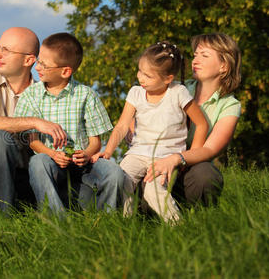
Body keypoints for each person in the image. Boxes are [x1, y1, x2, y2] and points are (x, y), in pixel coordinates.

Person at [91, 41, 208, 222]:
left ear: (168, 78)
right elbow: (122, 125)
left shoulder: (178, 92)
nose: (141, 78)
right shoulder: (136, 93)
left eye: (148, 76)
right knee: (122, 182)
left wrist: (191, 155)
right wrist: (108, 151)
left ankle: (178, 225)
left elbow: (201, 124)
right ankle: (125, 225)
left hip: (166, 157)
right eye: (140, 71)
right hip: (137, 153)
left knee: (154, 191)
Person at [0, 27, 69, 213]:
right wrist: (34, 122)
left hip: (24, 184)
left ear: (28, 60)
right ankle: (4, 225)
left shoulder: (44, 93)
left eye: (6, 50)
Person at [13, 32, 124, 213]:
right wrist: (52, 154)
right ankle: (57, 220)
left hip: (84, 166)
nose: (37, 67)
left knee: (115, 173)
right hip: (51, 163)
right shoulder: (30, 96)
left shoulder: (86, 95)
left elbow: (95, 142)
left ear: (65, 71)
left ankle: (107, 220)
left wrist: (87, 154)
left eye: (44, 64)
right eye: (39, 61)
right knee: (38, 162)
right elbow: (33, 141)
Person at [143, 33, 242, 208]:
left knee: (205, 175)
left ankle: (197, 219)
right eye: (195, 55)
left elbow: (210, 149)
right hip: (157, 161)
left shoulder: (230, 105)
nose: (195, 61)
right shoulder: (176, 88)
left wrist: (177, 158)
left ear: (224, 66)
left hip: (190, 171)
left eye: (204, 55)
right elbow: (141, 102)